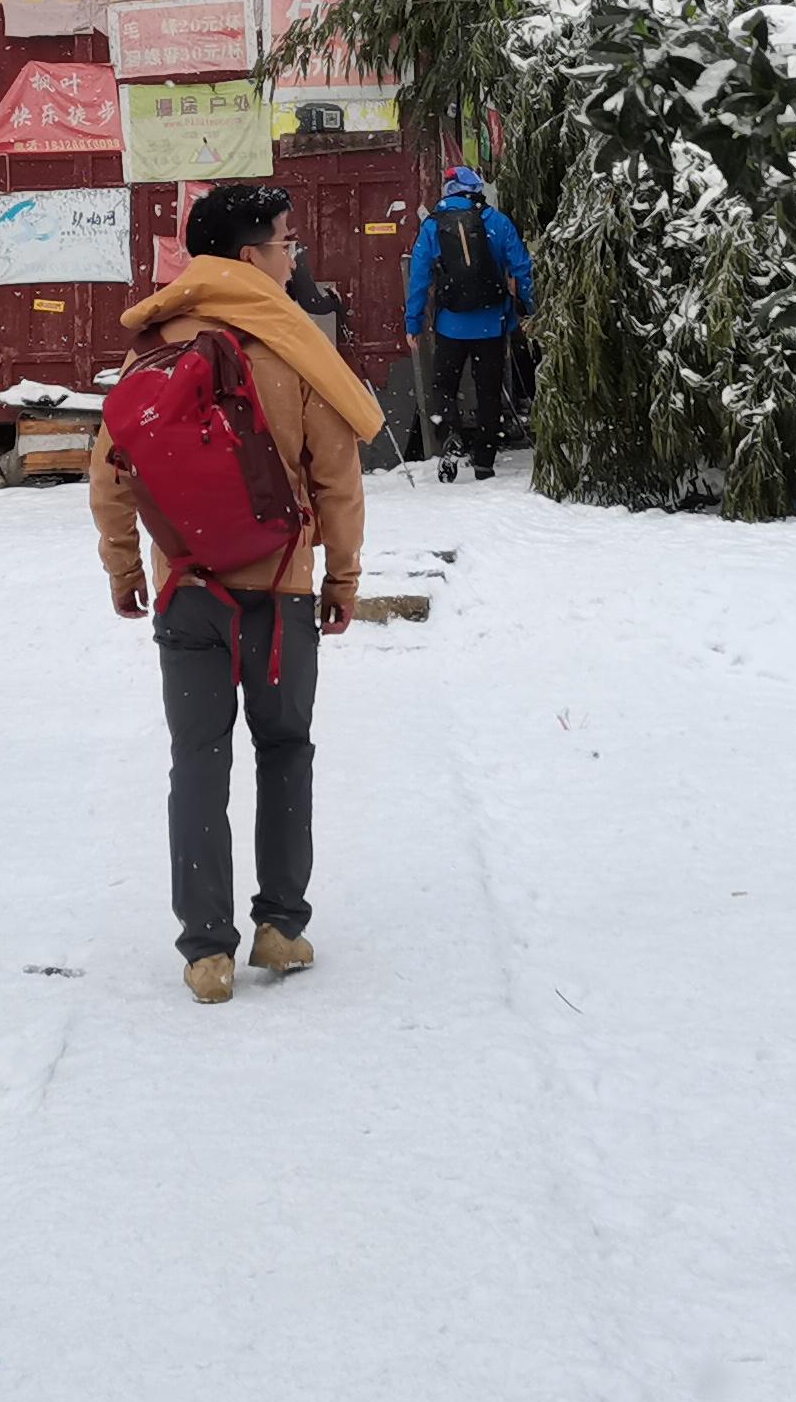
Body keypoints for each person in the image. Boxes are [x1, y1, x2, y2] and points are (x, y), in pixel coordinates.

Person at [93, 182, 381, 1005]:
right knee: (284, 752)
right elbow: (337, 475)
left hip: (186, 590)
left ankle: (206, 952)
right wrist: (344, 575)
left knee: (198, 759)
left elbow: (110, 471)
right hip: (283, 590)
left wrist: (123, 567)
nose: (295, 258)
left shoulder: (153, 341)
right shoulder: (291, 342)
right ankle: (281, 930)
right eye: (286, 242)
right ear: (251, 256)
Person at [403, 162, 532, 480]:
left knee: (444, 385)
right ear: (477, 190)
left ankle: (450, 437)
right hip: (493, 320)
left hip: (451, 324)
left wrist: (413, 322)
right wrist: (525, 308)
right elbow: (521, 267)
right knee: (488, 389)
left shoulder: (433, 226)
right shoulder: (497, 222)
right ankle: (485, 459)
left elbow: (419, 278)